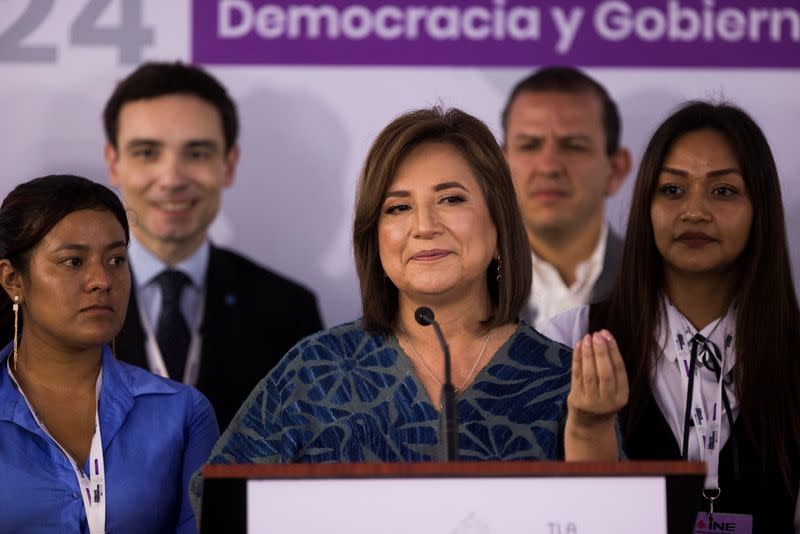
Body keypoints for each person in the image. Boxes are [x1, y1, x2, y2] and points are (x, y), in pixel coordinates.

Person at [192, 106, 626, 491]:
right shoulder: (316, 371)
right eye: (398, 207)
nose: (424, 225)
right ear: (374, 239)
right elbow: (220, 502)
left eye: (451, 199)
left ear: (499, 228)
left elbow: (615, 519)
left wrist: (591, 428)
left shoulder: (559, 379)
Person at [540, 102, 800, 531]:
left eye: (723, 191)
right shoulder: (567, 342)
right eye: (673, 190)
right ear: (646, 205)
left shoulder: (792, 352)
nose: (693, 211)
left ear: (761, 210)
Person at [102, 61, 324, 429]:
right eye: (146, 152)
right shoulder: (55, 304)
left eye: (197, 153)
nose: (172, 179)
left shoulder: (288, 311)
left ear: (229, 163)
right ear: (114, 162)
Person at [0, 175, 219, 533]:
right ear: (14, 280)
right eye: (73, 261)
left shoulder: (182, 412)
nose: (102, 279)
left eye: (116, 259)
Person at [501, 66, 632, 329]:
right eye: (529, 146)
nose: (549, 166)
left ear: (615, 170)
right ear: (499, 168)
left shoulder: (662, 286)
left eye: (573, 146)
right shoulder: (465, 291)